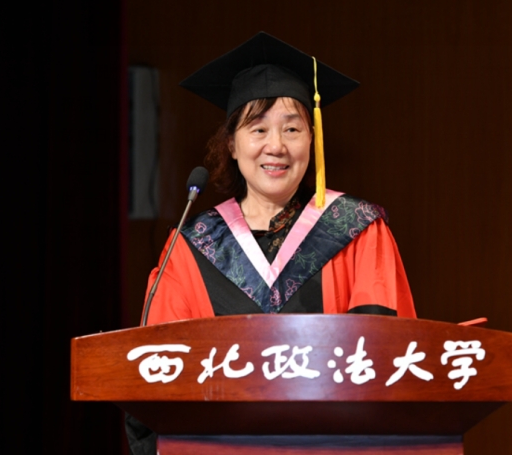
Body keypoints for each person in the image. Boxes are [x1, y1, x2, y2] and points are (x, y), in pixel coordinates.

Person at [126, 32, 416, 454]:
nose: (276, 146)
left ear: (312, 138)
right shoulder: (190, 247)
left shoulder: (356, 230)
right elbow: (156, 376)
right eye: (258, 128)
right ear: (232, 144)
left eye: (292, 128)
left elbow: (386, 361)